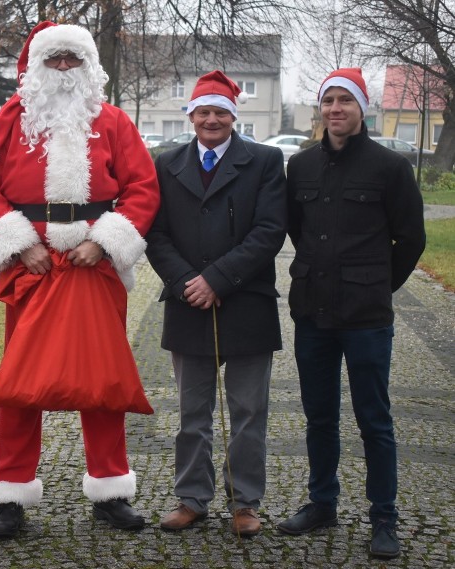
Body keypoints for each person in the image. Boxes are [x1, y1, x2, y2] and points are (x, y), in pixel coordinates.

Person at [0, 21, 160, 538]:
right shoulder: (11, 120)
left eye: (74, 59)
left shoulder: (114, 121)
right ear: (37, 67)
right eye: (55, 60)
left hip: (94, 263)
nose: (65, 69)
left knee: (102, 377)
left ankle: (111, 488)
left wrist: (104, 242)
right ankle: (10, 493)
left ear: (89, 65)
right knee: (21, 382)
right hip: (32, 265)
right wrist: (21, 244)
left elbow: (142, 188)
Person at [277, 68, 425, 559]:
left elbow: (411, 240)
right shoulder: (299, 167)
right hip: (312, 313)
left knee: (374, 419)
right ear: (320, 109)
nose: (336, 108)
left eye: (345, 100)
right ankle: (323, 502)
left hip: (366, 317)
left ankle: (384, 515)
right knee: (319, 416)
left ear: (363, 108)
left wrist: (376, 286)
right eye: (328, 100)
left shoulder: (390, 168)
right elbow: (298, 231)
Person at [145, 70, 287, 537]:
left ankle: (245, 502)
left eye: (220, 111)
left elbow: (269, 230)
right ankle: (191, 498)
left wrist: (218, 279)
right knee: (192, 412)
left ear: (233, 116)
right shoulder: (165, 164)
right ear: (190, 115)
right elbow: (155, 232)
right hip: (187, 302)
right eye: (202, 111)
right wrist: (190, 281)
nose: (211, 119)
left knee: (248, 412)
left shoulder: (265, 161)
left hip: (246, 302)